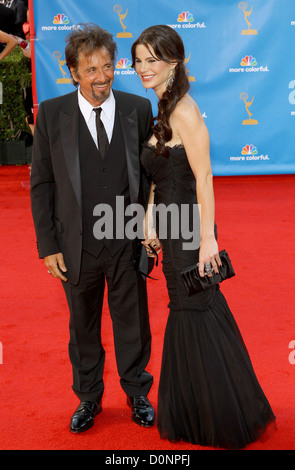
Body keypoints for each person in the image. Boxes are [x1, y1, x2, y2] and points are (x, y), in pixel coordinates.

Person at [131, 24, 276, 450]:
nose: (143, 68)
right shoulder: (161, 105)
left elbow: (204, 177)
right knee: (187, 308)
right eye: (138, 60)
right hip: (172, 228)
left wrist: (208, 238)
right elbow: (160, 172)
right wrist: (151, 221)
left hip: (192, 230)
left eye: (152, 60)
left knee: (196, 308)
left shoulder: (185, 111)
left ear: (174, 61)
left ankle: (221, 414)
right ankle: (199, 410)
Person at [30, 23, 158, 434]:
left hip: (125, 240)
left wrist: (152, 226)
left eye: (108, 67)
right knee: (82, 326)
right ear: (73, 72)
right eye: (91, 70)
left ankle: (137, 391)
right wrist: (47, 245)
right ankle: (88, 398)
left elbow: (150, 176)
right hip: (75, 245)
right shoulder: (52, 114)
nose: (102, 77)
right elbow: (42, 183)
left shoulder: (139, 109)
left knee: (133, 320)